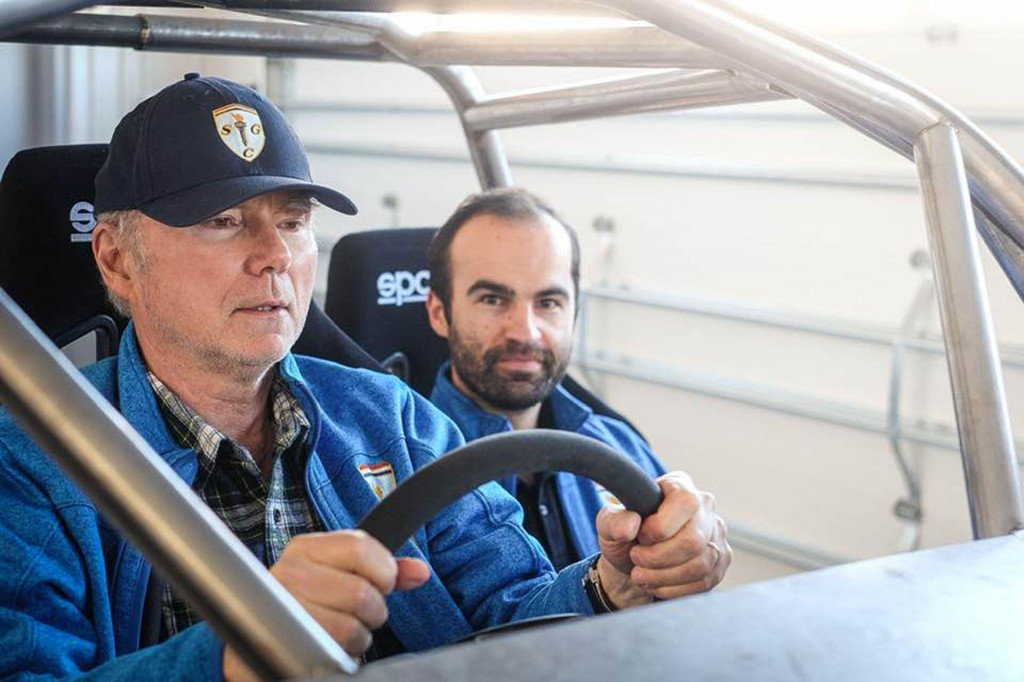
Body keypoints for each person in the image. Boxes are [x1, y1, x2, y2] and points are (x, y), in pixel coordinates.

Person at [0, 75, 730, 681]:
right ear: (117, 260)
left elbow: (509, 607)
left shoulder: (397, 419)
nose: (275, 257)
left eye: (291, 222)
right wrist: (232, 653)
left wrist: (610, 587)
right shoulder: (29, 463)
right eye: (224, 221)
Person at [426, 188, 730, 573]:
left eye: (549, 302)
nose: (526, 332)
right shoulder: (402, 467)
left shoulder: (621, 448)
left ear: (574, 312)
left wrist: (695, 553)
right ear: (439, 312)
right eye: (492, 299)